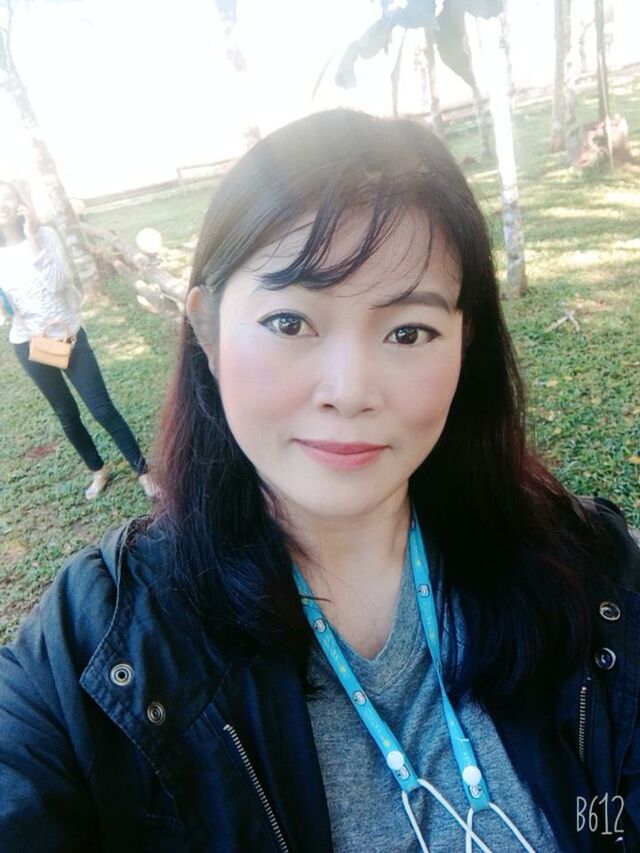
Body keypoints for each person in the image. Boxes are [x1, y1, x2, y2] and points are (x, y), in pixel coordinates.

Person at [0, 110, 638, 852]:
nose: (349, 390)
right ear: (207, 331)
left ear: (466, 341)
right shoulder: (97, 649)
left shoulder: (590, 570)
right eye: (289, 322)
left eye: (408, 331)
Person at [0, 181, 157, 500]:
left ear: (20, 203)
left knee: (102, 409)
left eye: (7, 197)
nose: (2, 204)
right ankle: (98, 470)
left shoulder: (46, 236)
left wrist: (32, 238)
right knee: (67, 415)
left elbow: (58, 284)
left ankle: (144, 472)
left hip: (69, 337)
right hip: (29, 344)